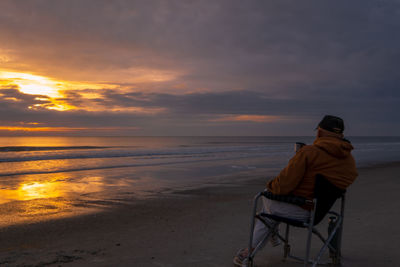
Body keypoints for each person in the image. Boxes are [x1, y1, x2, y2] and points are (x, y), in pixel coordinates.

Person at [233, 115, 358, 267]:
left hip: (302, 211)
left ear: (319, 132)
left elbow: (282, 185)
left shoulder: (309, 153)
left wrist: (271, 184)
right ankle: (270, 235)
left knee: (265, 196)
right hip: (320, 211)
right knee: (271, 205)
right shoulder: (349, 162)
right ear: (341, 135)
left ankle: (250, 251)